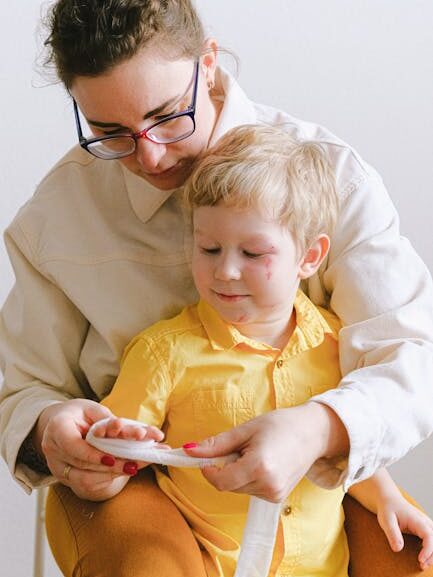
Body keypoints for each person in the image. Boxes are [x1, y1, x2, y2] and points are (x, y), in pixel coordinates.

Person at [0, 1, 432, 576]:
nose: (148, 156)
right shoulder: (55, 219)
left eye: (166, 115)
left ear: (207, 62)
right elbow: (22, 390)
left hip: (309, 466)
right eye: (110, 133)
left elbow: (411, 355)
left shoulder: (333, 180)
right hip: (136, 482)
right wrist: (51, 429)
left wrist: (318, 428)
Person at [90, 124, 433, 577]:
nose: (226, 271)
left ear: (310, 257)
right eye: (208, 248)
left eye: (253, 253)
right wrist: (119, 448)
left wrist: (385, 495)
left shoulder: (334, 343)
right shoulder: (163, 354)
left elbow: (339, 451)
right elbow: (109, 461)